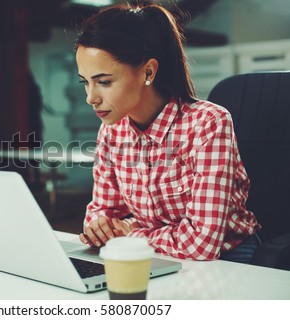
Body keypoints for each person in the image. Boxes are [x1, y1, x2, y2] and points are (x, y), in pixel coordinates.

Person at [75, 3, 261, 262]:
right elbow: (101, 212)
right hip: (156, 255)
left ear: (148, 72)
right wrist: (99, 227)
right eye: (86, 82)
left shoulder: (209, 124)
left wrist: (131, 234)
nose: (90, 98)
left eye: (104, 82)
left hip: (225, 259)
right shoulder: (112, 131)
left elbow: (202, 245)